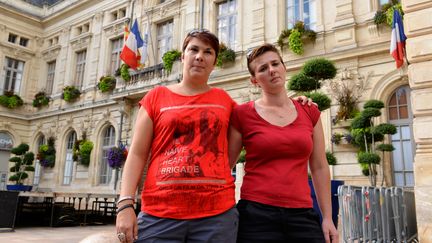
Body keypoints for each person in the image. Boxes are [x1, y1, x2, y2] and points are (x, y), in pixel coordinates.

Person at [115, 29, 238, 243]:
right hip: (160, 215)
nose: (200, 56)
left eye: (208, 52)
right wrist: (125, 204)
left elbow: (257, 120)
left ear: (214, 61)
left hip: (216, 216)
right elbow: (136, 154)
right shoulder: (156, 97)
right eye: (194, 49)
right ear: (183, 56)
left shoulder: (225, 101)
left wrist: (299, 103)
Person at [228, 43, 339, 243]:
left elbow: (320, 166)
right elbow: (226, 165)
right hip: (256, 216)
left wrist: (328, 218)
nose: (271, 70)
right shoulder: (242, 114)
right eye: (263, 68)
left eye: (275, 63)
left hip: (302, 214)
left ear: (284, 67)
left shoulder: (309, 111)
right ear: (254, 81)